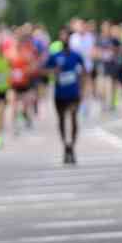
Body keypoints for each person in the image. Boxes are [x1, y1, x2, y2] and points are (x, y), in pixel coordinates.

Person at [45, 28, 86, 164]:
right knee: (62, 120)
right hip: (60, 94)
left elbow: (85, 71)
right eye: (62, 35)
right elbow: (43, 70)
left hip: (74, 93)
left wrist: (83, 87)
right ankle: (65, 146)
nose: (65, 38)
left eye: (67, 36)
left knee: (73, 117)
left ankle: (72, 146)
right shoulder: (55, 56)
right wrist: (53, 71)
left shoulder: (76, 55)